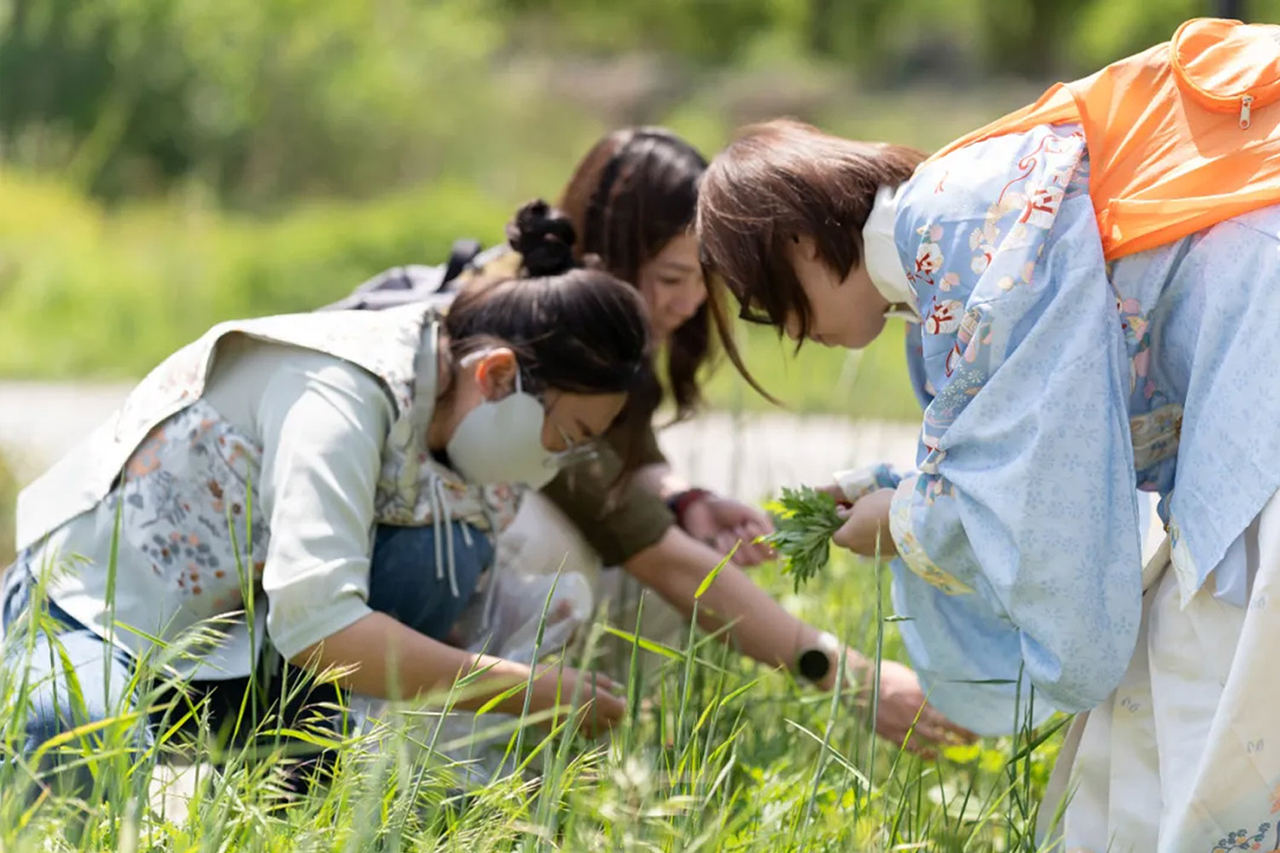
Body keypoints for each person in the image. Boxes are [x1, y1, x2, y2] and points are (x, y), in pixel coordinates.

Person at [694, 18, 1280, 850]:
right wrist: (904, 488)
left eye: (764, 302)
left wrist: (904, 522)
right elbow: (1064, 426)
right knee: (1162, 723)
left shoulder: (950, 218)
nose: (786, 332)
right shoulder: (956, 217)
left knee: (1185, 729)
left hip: (1262, 379)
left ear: (795, 236)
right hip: (1252, 378)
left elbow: (1052, 472)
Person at [339, 128, 972, 758]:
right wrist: (851, 679)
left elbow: (628, 464)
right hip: (362, 603)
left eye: (705, 279)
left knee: (669, 551)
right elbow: (652, 550)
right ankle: (431, 765)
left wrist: (683, 497)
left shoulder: (593, 334)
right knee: (546, 543)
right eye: (671, 277)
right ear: (610, 255)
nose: (692, 302)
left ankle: (601, 745)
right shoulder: (533, 356)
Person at [1, 201, 653, 802]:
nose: (559, 457)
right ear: (499, 375)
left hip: (232, 638)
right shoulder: (341, 393)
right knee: (80, 742)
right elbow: (320, 628)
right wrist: (523, 690)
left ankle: (287, 799)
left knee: (440, 552)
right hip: (91, 614)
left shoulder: (444, 410)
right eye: (569, 434)